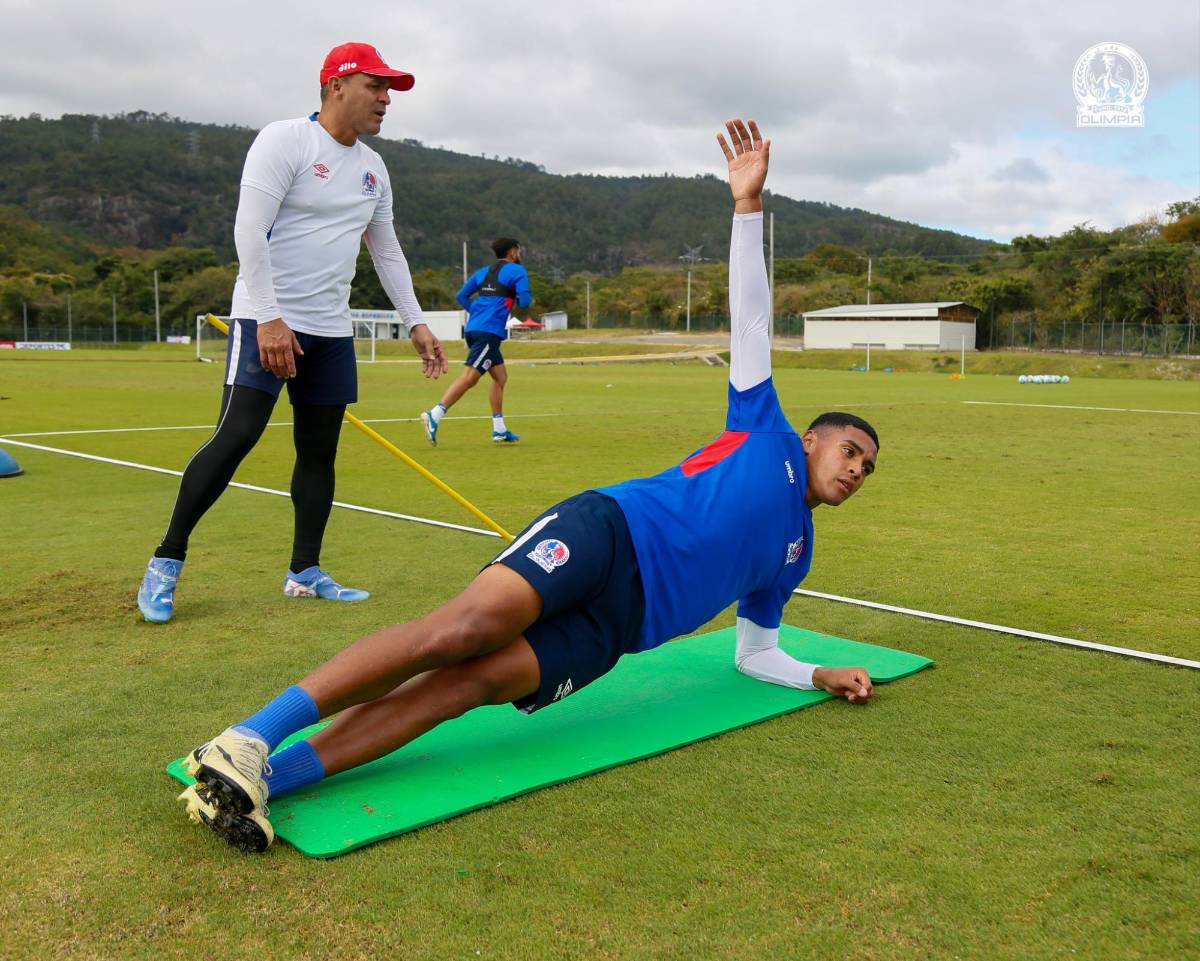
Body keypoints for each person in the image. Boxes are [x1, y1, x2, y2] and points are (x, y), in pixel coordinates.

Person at [178, 119, 879, 853]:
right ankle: (253, 735)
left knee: (462, 689)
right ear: (812, 438)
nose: (857, 467)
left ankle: (254, 781)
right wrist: (747, 208)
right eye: (851, 449)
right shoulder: (764, 428)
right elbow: (752, 320)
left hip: (615, 631)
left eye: (867, 467)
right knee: (457, 633)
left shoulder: (796, 554)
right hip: (609, 534)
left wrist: (817, 672)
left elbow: (755, 653)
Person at [136, 42, 449, 624]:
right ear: (336, 86)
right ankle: (166, 561)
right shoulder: (285, 141)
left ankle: (304, 571)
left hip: (331, 328)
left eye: (390, 91)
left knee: (319, 452)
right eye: (375, 87)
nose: (385, 100)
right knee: (237, 437)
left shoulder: (374, 168)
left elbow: (387, 253)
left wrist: (417, 322)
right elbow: (248, 234)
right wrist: (270, 318)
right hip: (265, 316)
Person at [420, 237, 532, 445]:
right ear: (513, 252)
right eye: (519, 250)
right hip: (488, 333)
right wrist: (512, 300)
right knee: (470, 377)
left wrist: (477, 313)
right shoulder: (518, 272)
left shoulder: (482, 273)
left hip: (474, 329)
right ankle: (434, 415)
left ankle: (499, 429)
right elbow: (525, 301)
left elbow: (461, 296)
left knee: (500, 377)